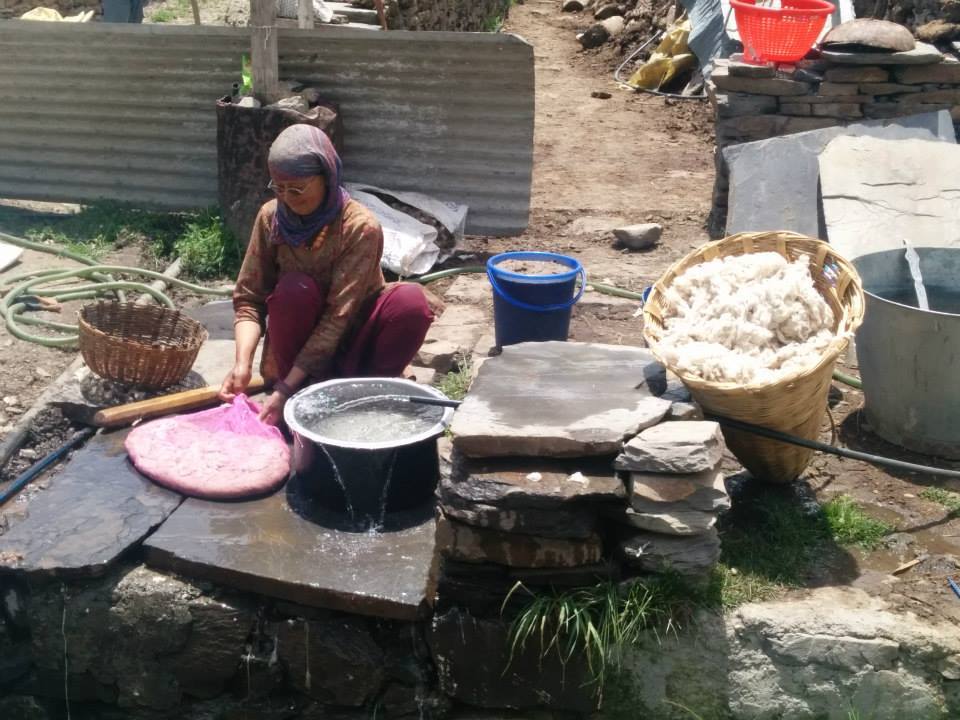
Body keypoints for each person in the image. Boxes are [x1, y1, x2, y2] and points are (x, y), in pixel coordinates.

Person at [219, 124, 440, 425]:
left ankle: (369, 395)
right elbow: (248, 299)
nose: (287, 198)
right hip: (296, 347)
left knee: (410, 301)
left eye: (297, 189)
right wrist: (241, 364)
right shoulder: (271, 218)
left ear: (328, 177)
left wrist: (284, 389)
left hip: (354, 341)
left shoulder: (359, 227)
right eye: (279, 188)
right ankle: (302, 391)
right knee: (293, 290)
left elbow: (339, 316)